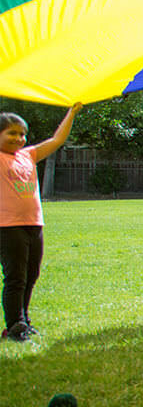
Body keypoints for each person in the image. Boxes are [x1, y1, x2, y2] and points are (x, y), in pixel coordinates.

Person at [1, 104, 81, 342]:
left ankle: (23, 321)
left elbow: (57, 140)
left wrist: (72, 113)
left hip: (34, 224)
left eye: (22, 133)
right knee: (15, 276)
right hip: (7, 227)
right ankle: (14, 325)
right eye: (11, 133)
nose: (18, 138)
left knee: (31, 274)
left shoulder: (28, 155)